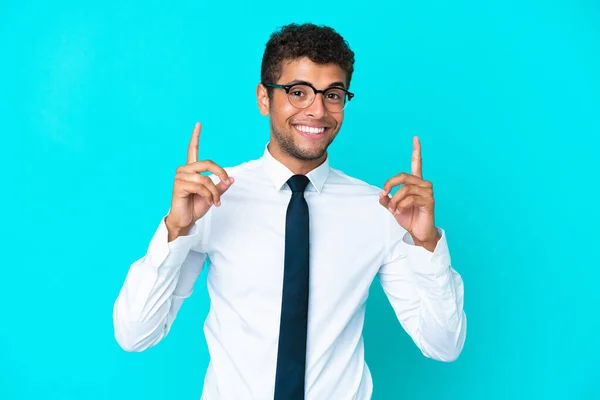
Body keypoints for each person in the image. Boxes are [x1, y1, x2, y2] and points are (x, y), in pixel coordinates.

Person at [113, 23, 467, 400]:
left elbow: (444, 345)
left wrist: (425, 243)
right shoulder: (211, 199)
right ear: (264, 98)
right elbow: (135, 335)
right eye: (298, 92)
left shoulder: (380, 209)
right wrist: (175, 230)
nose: (317, 110)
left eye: (332, 94)